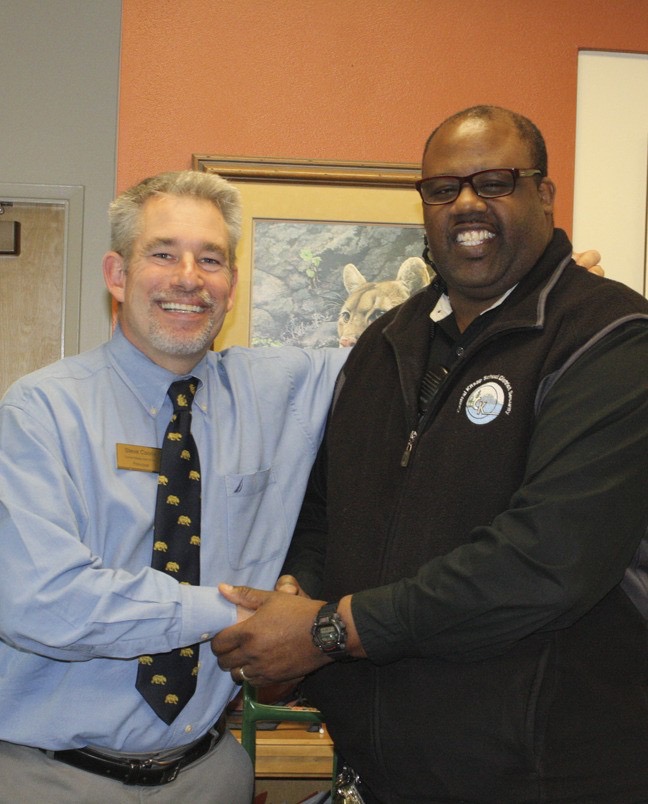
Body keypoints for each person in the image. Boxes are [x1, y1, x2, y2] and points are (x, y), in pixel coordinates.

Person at [211, 106, 648, 803]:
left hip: (548, 778)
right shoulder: (387, 344)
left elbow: (547, 559)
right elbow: (329, 514)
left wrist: (328, 630)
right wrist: (294, 592)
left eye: (494, 180)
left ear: (544, 194)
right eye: (443, 189)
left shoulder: (611, 337)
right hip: (379, 778)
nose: (466, 203)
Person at [0, 170, 347, 802]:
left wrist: (523, 290)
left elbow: (414, 350)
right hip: (48, 776)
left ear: (232, 286)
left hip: (209, 774)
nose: (188, 277)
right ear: (117, 274)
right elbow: (39, 602)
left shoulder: (283, 391)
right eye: (163, 253)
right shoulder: (41, 412)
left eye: (210, 259)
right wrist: (238, 613)